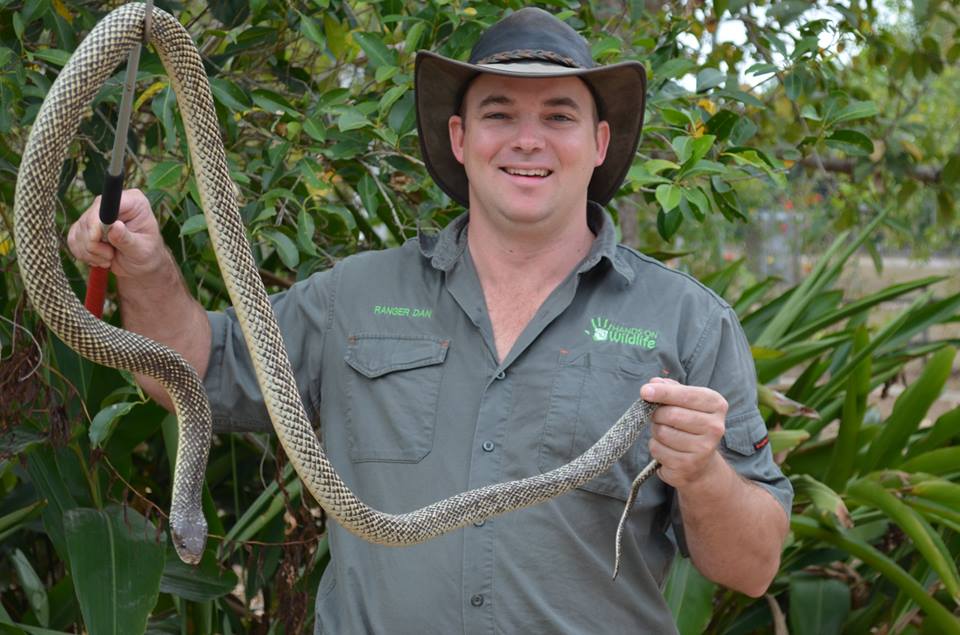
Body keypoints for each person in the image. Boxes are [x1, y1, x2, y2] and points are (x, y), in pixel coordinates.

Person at [68, 8, 792, 634]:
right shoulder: (353, 294)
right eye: (499, 113)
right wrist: (147, 267)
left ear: (600, 143)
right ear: (459, 137)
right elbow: (196, 370)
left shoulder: (688, 322)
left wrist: (702, 473)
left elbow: (753, 566)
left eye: (559, 116)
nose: (527, 140)